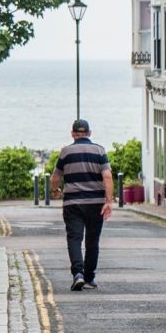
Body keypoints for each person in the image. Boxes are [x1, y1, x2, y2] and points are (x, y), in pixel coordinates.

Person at [54, 118, 113, 291]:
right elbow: (107, 176)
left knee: (74, 238)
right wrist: (108, 201)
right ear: (89, 133)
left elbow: (55, 177)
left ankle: (78, 274)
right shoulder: (99, 150)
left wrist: (55, 190)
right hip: (96, 203)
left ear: (72, 134)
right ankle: (89, 277)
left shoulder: (66, 152)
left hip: (72, 203)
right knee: (92, 241)